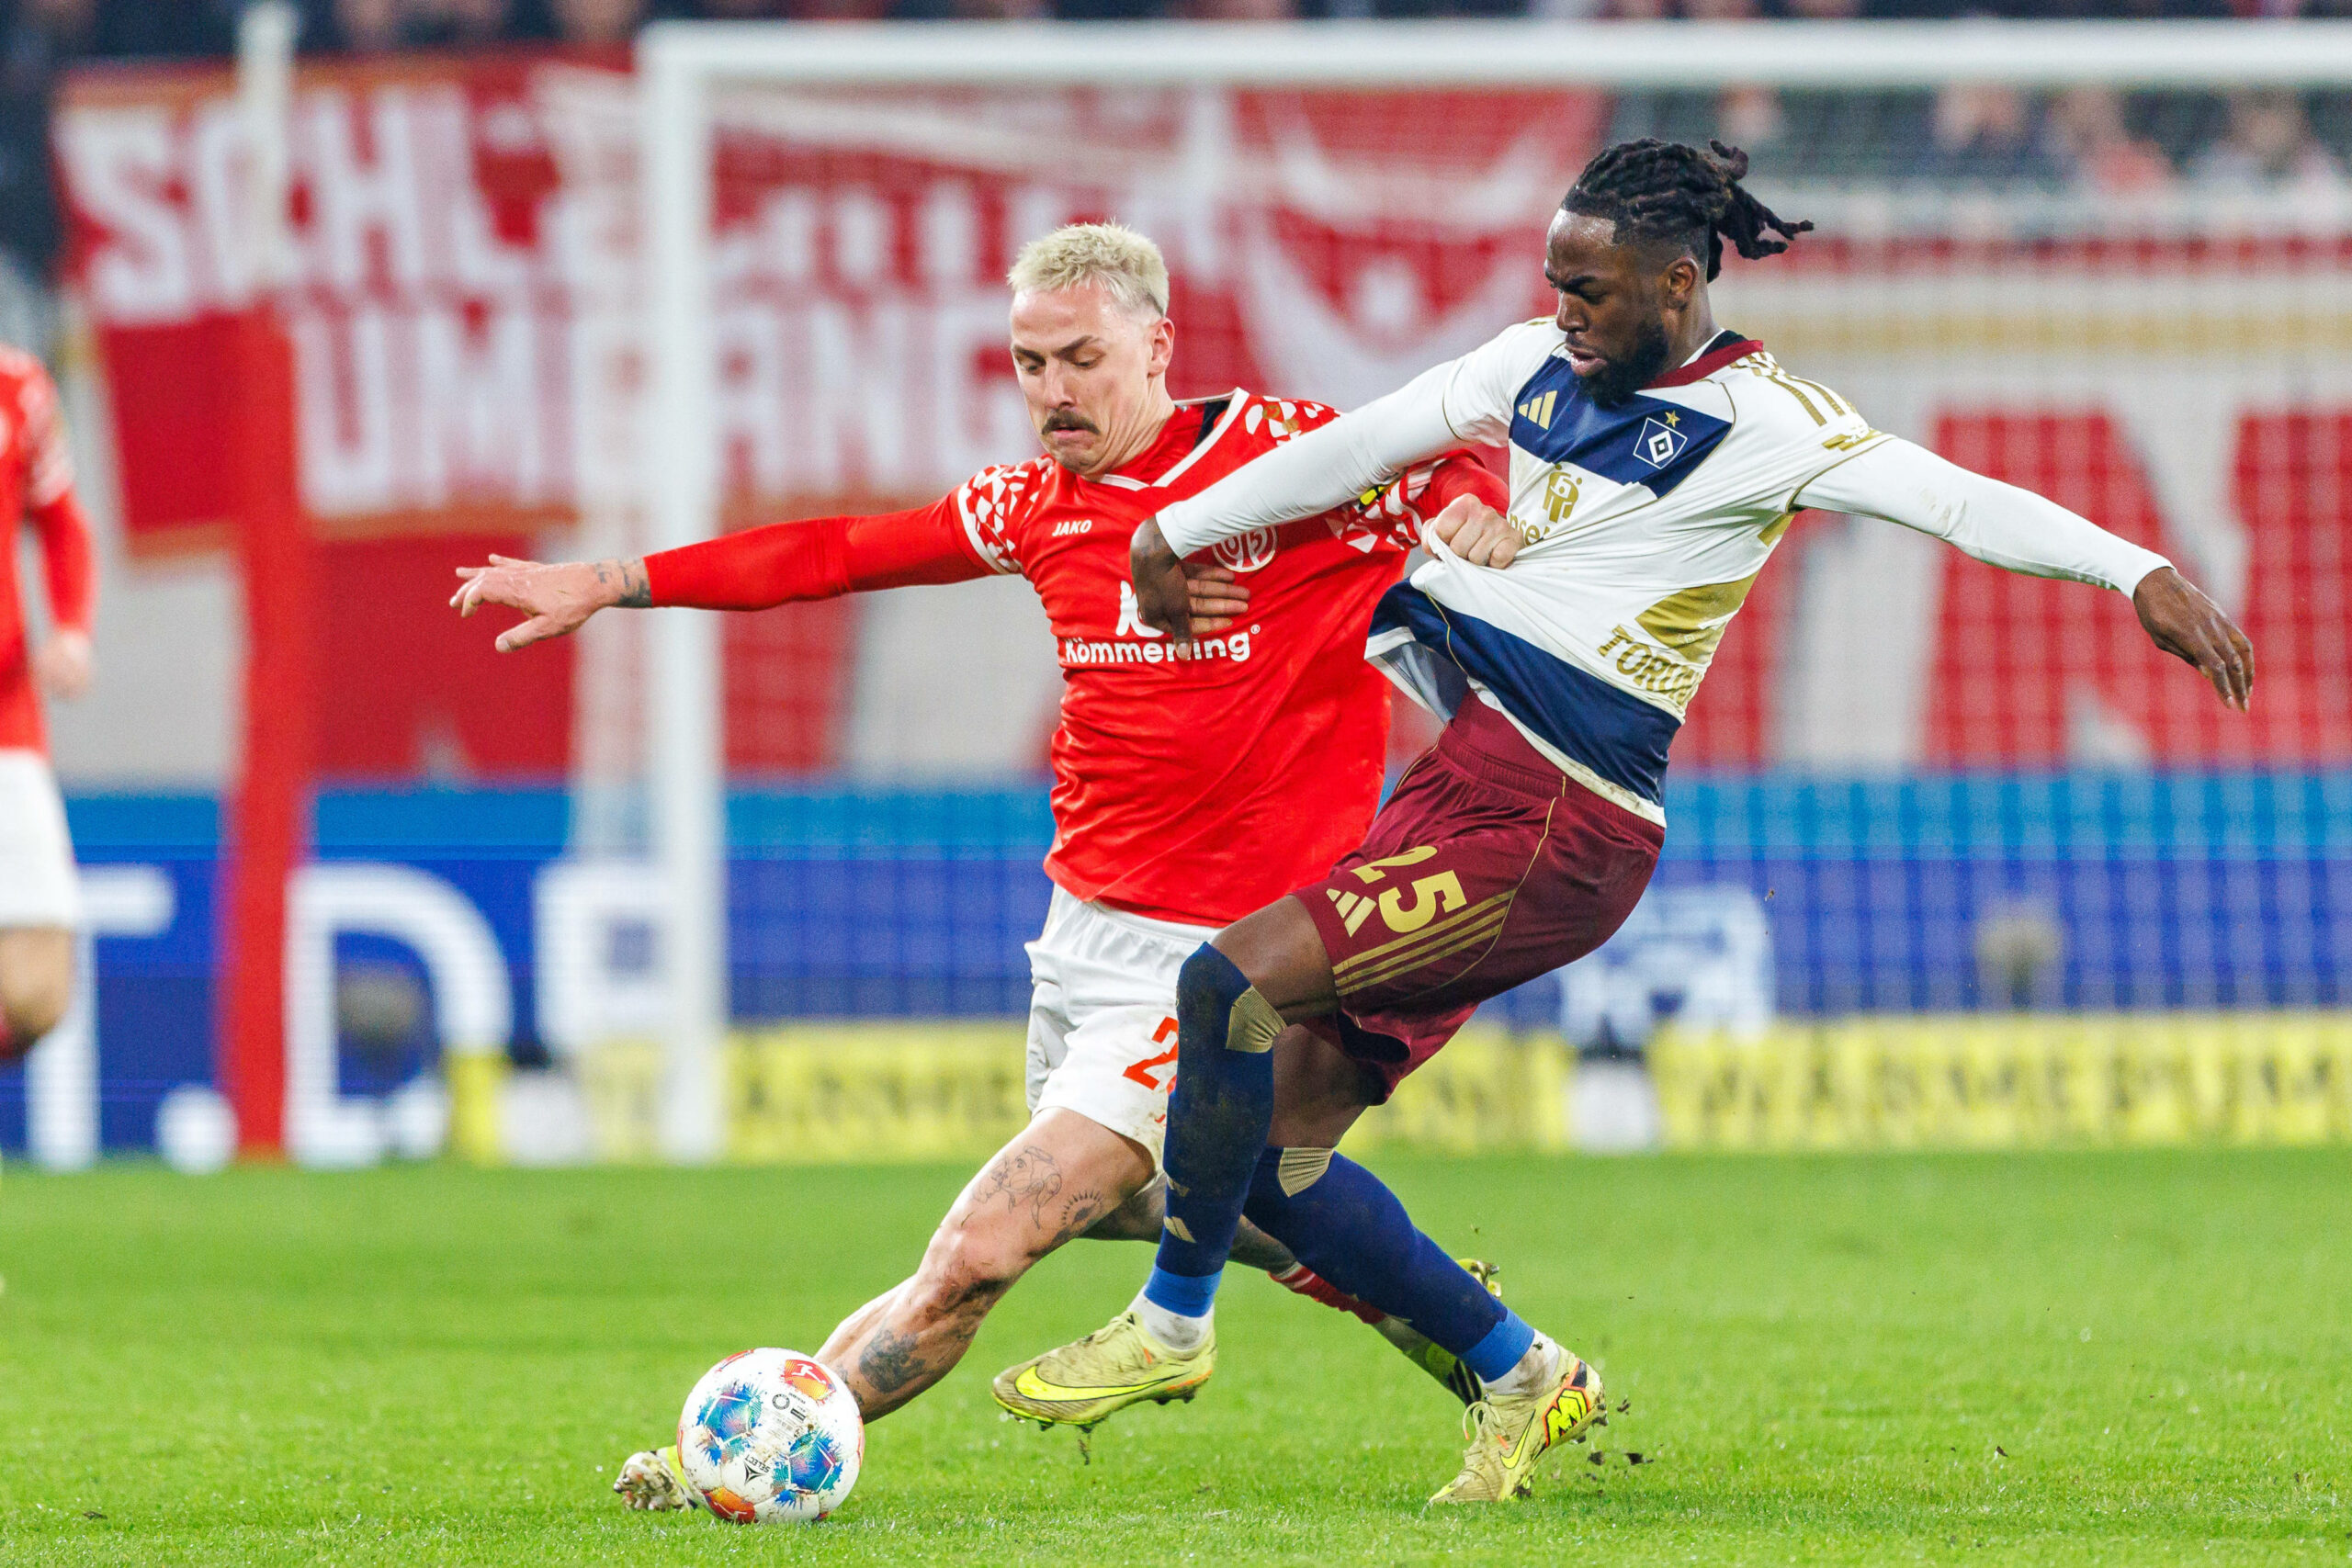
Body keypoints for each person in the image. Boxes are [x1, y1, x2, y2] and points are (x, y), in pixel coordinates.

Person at [1002, 139, 2256, 1506]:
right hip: (1462, 786)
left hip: (1558, 823)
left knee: (1223, 981)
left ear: (1676, 281)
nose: (1566, 309)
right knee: (1279, 1157)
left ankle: (1172, 1323)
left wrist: (2136, 566)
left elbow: (1953, 498)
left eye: (1591, 288)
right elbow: (1358, 444)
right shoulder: (1529, 364)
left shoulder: (1770, 421)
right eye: (1555, 281)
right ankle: (1520, 1370)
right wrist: (1167, 534)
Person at [449, 222, 1524, 1506]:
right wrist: (618, 578)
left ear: (1158, 345)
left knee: (982, 1244)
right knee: (1177, 1207)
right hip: (1081, 937)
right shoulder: (1034, 507)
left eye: (1082, 357)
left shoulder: (1277, 458)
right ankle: (1488, 1338)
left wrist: (1481, 499)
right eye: (1029, 363)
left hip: (1224, 957)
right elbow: (836, 553)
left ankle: (730, 1467)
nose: (1053, 391)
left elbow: (1449, 432)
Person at [0, 344, 96, 1066]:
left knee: (39, 993)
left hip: (9, 716)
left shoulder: (19, 388)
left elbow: (62, 521)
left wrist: (70, 626)